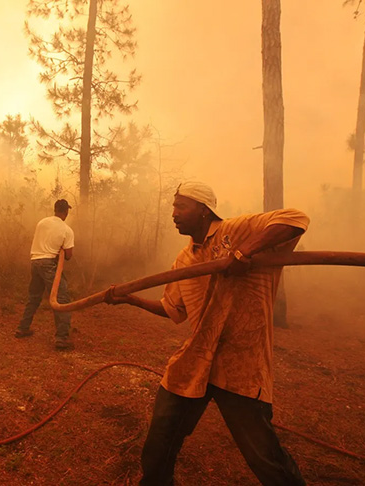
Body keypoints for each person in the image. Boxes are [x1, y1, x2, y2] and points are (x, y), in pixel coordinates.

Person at [105, 181, 308, 486]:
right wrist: (130, 299)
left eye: (180, 206)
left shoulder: (235, 230)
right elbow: (172, 309)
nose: (173, 213)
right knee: (160, 441)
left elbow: (296, 219)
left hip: (241, 363)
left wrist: (242, 253)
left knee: (264, 457)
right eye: (173, 206)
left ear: (202, 210)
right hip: (196, 361)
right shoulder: (184, 260)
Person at [15, 198, 76, 351]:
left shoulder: (41, 223)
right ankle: (62, 338)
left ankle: (23, 328)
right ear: (66, 212)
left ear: (55, 209)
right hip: (49, 264)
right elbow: (68, 255)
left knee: (34, 297)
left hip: (35, 262)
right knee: (61, 299)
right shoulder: (67, 230)